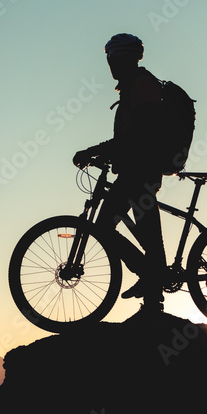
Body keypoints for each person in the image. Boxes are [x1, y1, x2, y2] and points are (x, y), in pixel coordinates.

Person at [73, 33, 168, 313]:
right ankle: (153, 293)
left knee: (103, 229)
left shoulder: (141, 87)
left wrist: (95, 151)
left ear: (123, 58)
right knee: (150, 237)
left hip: (139, 173)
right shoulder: (135, 86)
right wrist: (105, 153)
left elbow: (138, 136)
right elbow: (132, 137)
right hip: (138, 171)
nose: (111, 65)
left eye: (113, 59)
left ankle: (150, 278)